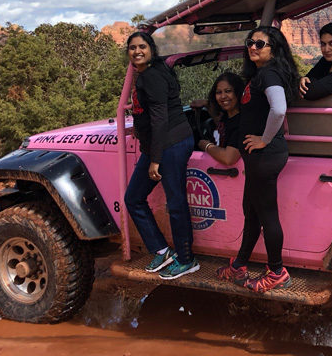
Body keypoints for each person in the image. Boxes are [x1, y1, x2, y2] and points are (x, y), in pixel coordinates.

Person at [215, 26, 300, 293]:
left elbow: (279, 109)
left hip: (265, 155)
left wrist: (264, 138)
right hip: (258, 158)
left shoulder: (270, 73)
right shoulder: (262, 74)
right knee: (251, 213)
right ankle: (239, 265)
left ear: (274, 47)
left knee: (266, 215)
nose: (253, 47)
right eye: (250, 42)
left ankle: (277, 271)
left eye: (260, 43)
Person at [123, 31, 199, 280]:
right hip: (161, 143)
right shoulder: (148, 73)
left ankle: (187, 260)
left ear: (151, 49)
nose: (137, 51)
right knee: (133, 197)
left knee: (176, 202)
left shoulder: (152, 76)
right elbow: (150, 113)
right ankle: (162, 250)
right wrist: (139, 125)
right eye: (132, 48)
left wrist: (155, 159)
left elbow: (160, 118)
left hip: (170, 143)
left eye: (142, 46)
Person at [195, 72, 244, 166]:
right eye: (218, 92)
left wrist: (206, 146)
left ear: (238, 93)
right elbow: (221, 126)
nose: (223, 96)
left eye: (228, 91)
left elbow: (228, 158)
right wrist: (206, 104)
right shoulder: (227, 116)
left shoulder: (241, 122)